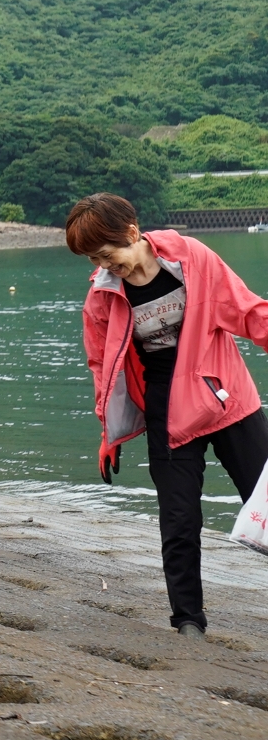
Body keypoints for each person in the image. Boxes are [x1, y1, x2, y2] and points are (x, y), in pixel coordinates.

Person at [68, 192, 268, 639]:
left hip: (227, 399)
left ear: (133, 234)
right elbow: (103, 367)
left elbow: (249, 311)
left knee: (267, 506)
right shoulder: (102, 297)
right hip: (168, 415)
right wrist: (110, 433)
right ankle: (188, 623)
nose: (105, 265)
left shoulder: (193, 260)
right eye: (95, 259)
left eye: (108, 253)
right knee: (178, 522)